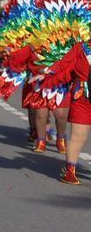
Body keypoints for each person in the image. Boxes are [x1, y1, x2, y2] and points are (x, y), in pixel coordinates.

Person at [38, 42, 91, 184]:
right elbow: (64, 65)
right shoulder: (80, 48)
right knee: (78, 136)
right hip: (82, 97)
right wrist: (46, 73)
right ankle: (70, 171)